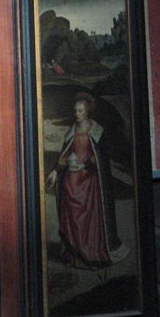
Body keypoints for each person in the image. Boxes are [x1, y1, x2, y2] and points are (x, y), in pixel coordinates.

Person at [46, 92, 129, 269]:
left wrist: (84, 166)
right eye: (76, 110)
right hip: (71, 181)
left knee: (89, 219)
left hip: (90, 183)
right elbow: (65, 155)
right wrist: (54, 171)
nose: (77, 114)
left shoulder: (97, 130)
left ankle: (90, 252)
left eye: (81, 111)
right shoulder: (71, 131)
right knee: (72, 217)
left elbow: (99, 157)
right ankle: (75, 253)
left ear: (87, 111)